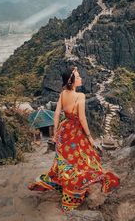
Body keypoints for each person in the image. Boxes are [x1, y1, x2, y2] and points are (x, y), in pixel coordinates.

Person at [27, 65, 120, 212]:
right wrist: (89, 137)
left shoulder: (63, 94)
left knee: (66, 161)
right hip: (76, 131)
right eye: (78, 77)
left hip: (65, 130)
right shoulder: (80, 96)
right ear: (71, 81)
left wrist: (56, 133)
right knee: (84, 159)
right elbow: (82, 119)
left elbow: (57, 114)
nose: (81, 78)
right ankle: (75, 189)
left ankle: (67, 183)